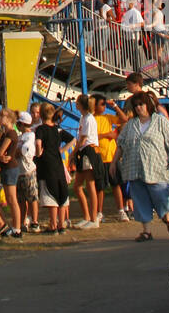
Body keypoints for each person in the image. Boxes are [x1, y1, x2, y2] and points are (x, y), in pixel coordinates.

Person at [115, 91, 169, 240]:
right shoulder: (131, 124)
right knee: (139, 198)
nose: (138, 108)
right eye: (136, 105)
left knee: (160, 196)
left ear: (148, 105)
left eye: (141, 104)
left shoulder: (160, 121)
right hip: (135, 168)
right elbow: (121, 144)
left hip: (156, 168)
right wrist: (114, 163)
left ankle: (167, 218)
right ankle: (146, 231)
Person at [33, 102, 74, 233]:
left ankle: (53, 224)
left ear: (41, 115)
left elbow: (38, 144)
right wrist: (62, 150)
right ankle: (62, 224)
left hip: (46, 163)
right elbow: (73, 139)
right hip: (58, 162)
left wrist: (38, 153)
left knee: (50, 192)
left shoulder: (41, 129)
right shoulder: (57, 129)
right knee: (61, 191)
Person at [93, 94, 126, 221]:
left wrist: (115, 106)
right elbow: (92, 136)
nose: (104, 106)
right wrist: (107, 134)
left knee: (116, 184)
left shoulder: (108, 117)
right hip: (99, 156)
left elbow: (123, 119)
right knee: (100, 187)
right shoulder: (92, 119)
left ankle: (121, 210)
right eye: (102, 104)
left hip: (111, 156)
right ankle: (99, 212)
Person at [73, 93, 101, 228]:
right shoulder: (83, 118)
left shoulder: (89, 119)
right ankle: (86, 216)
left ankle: (94, 218)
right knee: (77, 186)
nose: (75, 104)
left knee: (90, 186)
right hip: (83, 150)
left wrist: (74, 151)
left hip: (88, 150)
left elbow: (84, 138)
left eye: (77, 102)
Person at [0, 107, 23, 238]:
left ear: (9, 119)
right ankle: (14, 226)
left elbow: (0, 152)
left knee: (12, 199)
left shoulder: (11, 133)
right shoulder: (4, 134)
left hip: (11, 167)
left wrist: (0, 155)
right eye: (0, 116)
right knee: (9, 198)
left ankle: (17, 228)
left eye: (3, 116)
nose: (0, 119)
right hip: (5, 167)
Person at [16, 111, 40, 232]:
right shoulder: (19, 136)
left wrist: (16, 152)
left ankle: (35, 221)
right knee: (21, 199)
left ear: (22, 124)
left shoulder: (30, 136)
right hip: (19, 171)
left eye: (18, 124)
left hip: (28, 170)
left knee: (32, 197)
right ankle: (22, 221)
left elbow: (24, 150)